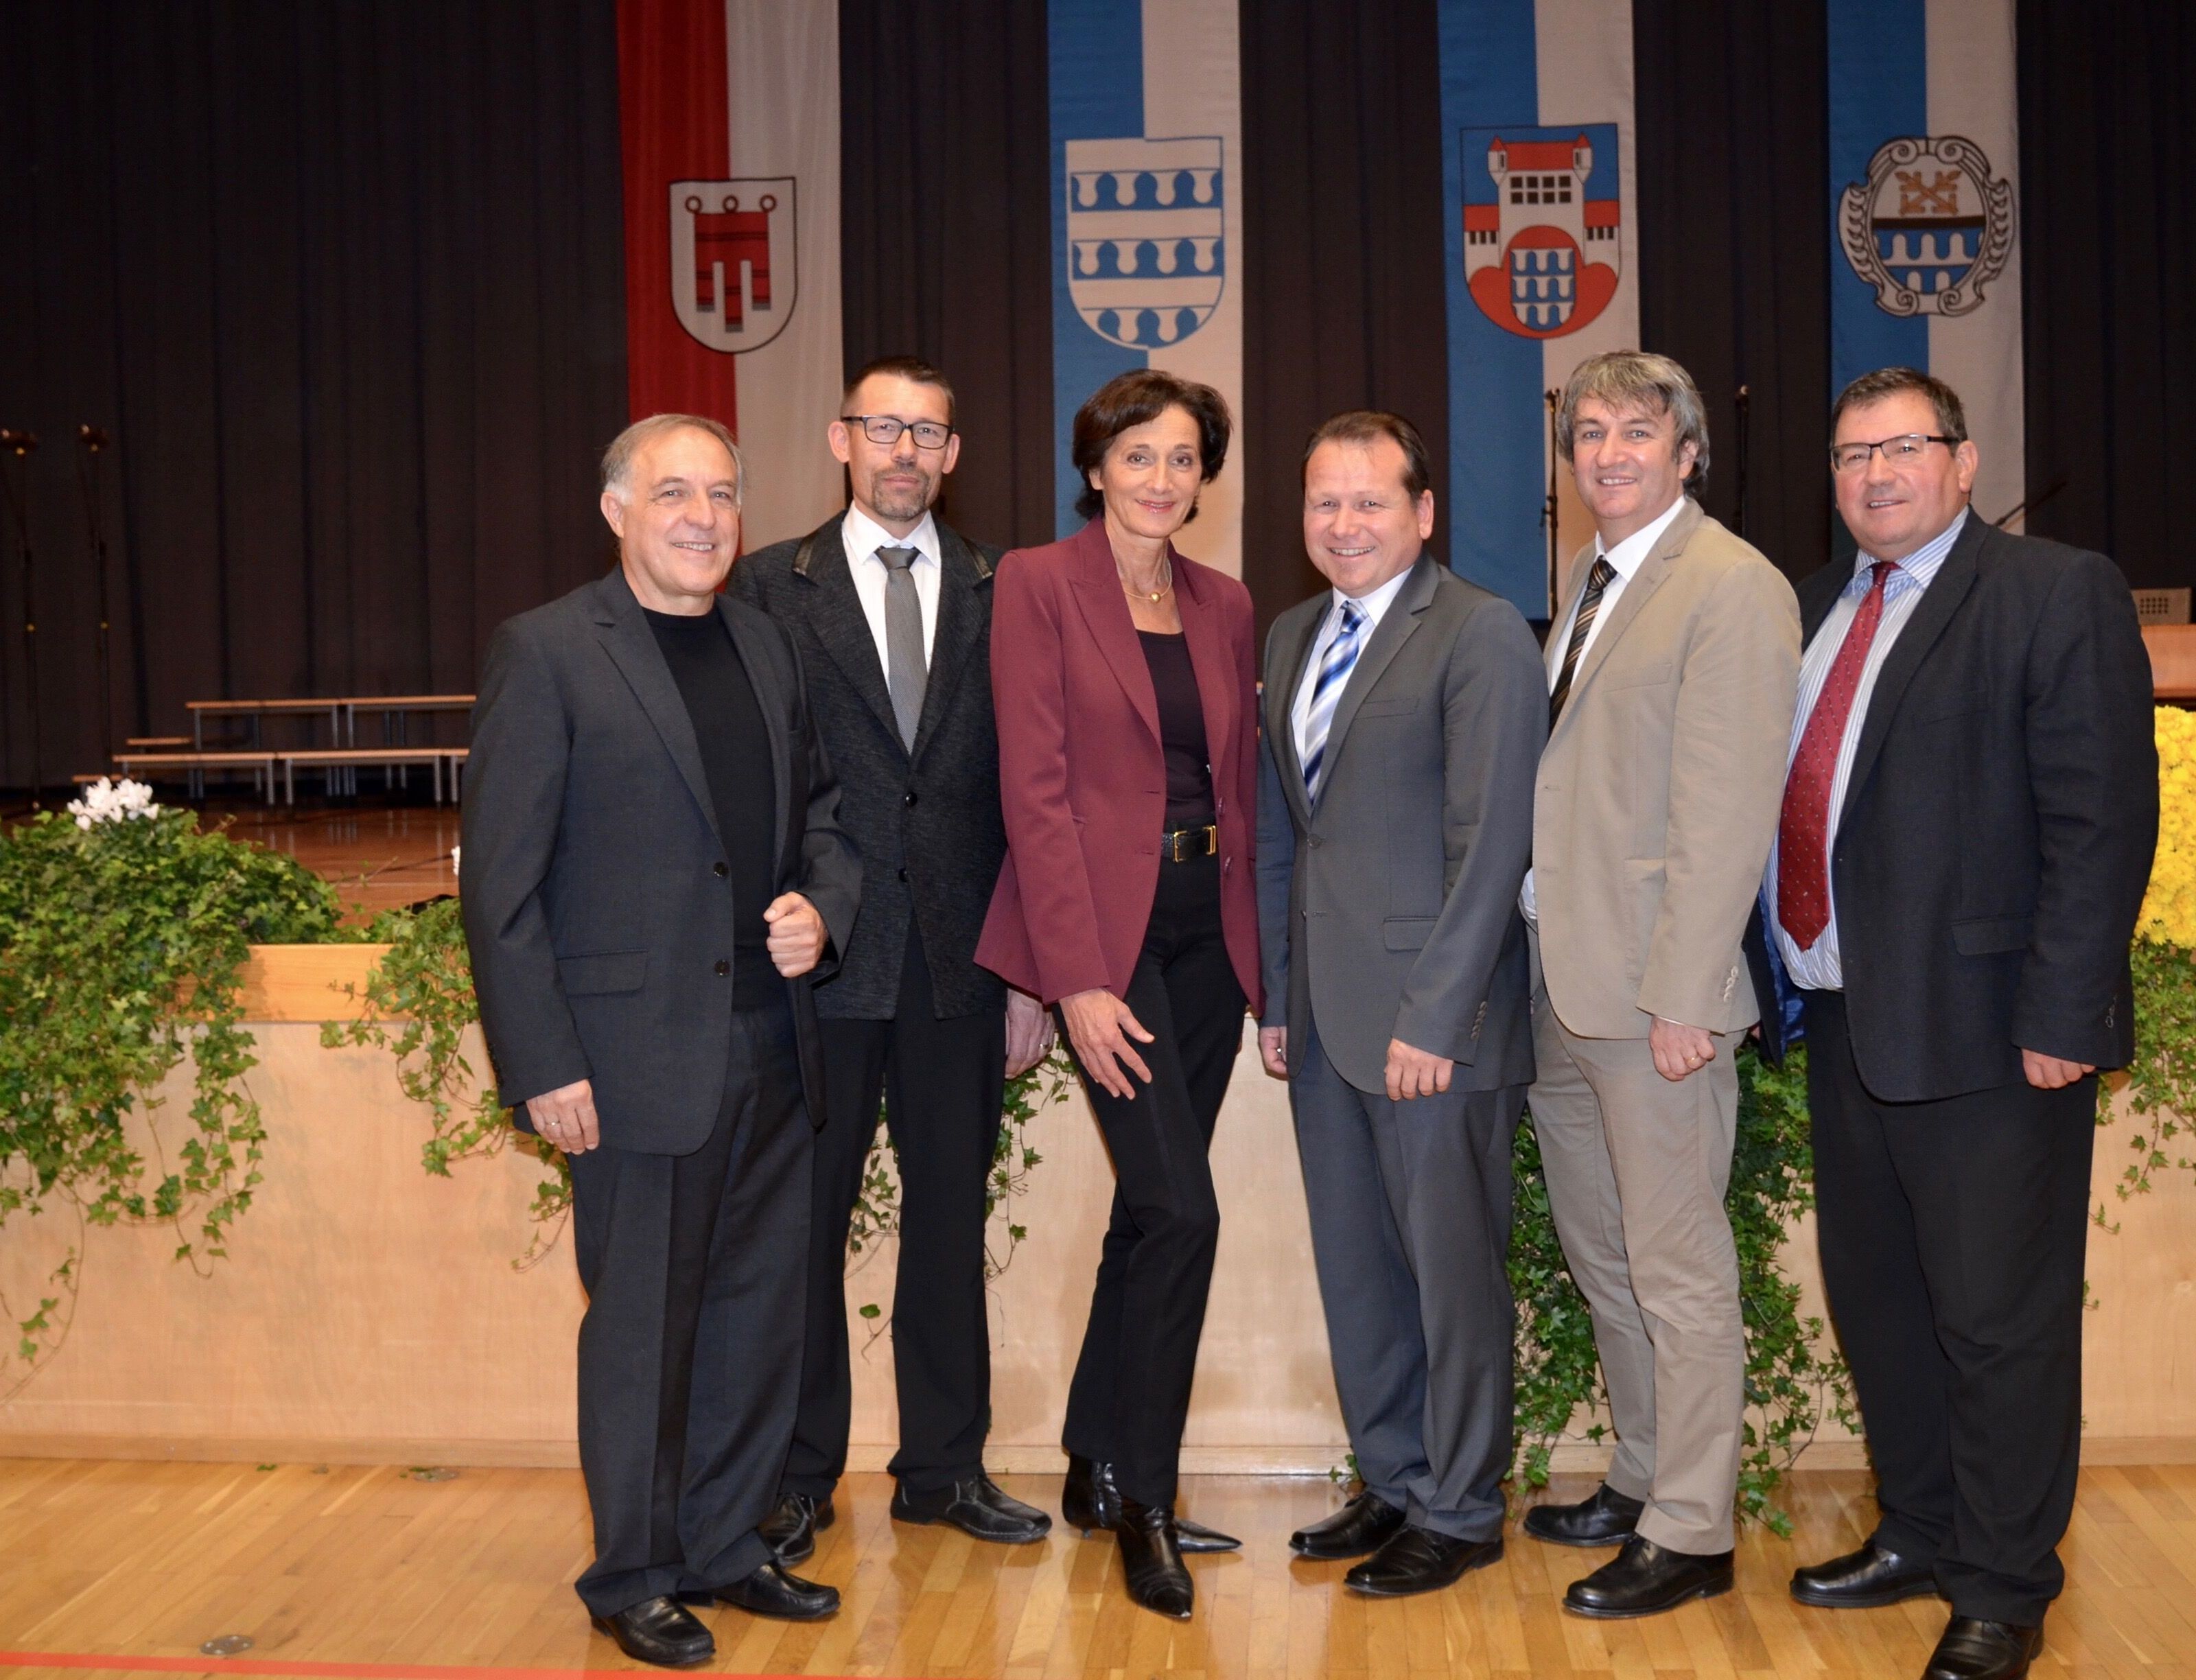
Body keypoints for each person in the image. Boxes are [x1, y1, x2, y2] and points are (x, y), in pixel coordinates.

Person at [1764, 369, 2154, 1680]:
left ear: (1966, 461)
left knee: (2000, 1322)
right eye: (1850, 454)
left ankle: (2001, 1586)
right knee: (1882, 1306)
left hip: (1996, 1035)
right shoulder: (1818, 607)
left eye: (1903, 448)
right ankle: (1919, 1529)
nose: (1874, 473)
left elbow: (2102, 822)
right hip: (1847, 1021)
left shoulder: (2056, 593)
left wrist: (2065, 1011)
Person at [460, 415, 862, 1668]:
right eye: (674, 493)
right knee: (641, 1326)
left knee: (757, 1314)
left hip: (771, 1038)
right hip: (630, 1062)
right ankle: (630, 1570)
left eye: (724, 494)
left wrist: (824, 910)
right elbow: (502, 891)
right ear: (616, 511)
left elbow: (831, 819)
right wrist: (543, 1064)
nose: (703, 516)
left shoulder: (768, 642)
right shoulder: (548, 652)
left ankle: (726, 1544)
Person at [730, 356, 1053, 1559]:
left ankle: (943, 1470)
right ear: (841, 439)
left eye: (930, 430)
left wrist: (1025, 966)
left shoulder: (1004, 587)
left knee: (947, 1225)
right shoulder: (768, 588)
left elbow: (1033, 786)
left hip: (962, 961)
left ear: (955, 452)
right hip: (819, 958)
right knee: (805, 1228)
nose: (906, 450)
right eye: (885, 428)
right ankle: (798, 1477)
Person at [976, 367, 1261, 1620]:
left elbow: (1239, 788)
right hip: (1112, 935)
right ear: (1096, 467)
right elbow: (1033, 792)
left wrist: (1271, 966)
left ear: (1206, 477)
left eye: (1184, 457)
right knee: (1185, 1215)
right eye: (1138, 454)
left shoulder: (1228, 601)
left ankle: (1095, 1465)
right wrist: (1076, 976)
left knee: (1150, 1217)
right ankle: (1146, 1497)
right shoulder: (1038, 586)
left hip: (1209, 935)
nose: (1162, 477)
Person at [1521, 351, 1799, 1618]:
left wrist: (1689, 993)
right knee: (1607, 1255)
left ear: (1690, 451)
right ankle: (1640, 1477)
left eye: (1637, 432)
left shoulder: (1731, 587)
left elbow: (1730, 810)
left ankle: (1692, 1529)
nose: (1609, 454)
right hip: (1566, 989)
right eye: (1589, 434)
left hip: (1658, 1002)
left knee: (1677, 1267)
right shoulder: (1593, 577)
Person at [1254, 411, 1544, 1596]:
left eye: (1371, 500)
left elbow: (1492, 846)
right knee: (1359, 1266)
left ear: (1424, 512)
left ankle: (1464, 1507)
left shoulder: (1477, 635)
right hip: (1324, 1018)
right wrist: (1281, 996)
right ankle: (1394, 1478)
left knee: (1451, 1273)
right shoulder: (1288, 636)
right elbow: (1286, 833)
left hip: (1435, 1027)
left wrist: (1438, 1014)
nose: (1345, 522)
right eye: (1325, 501)